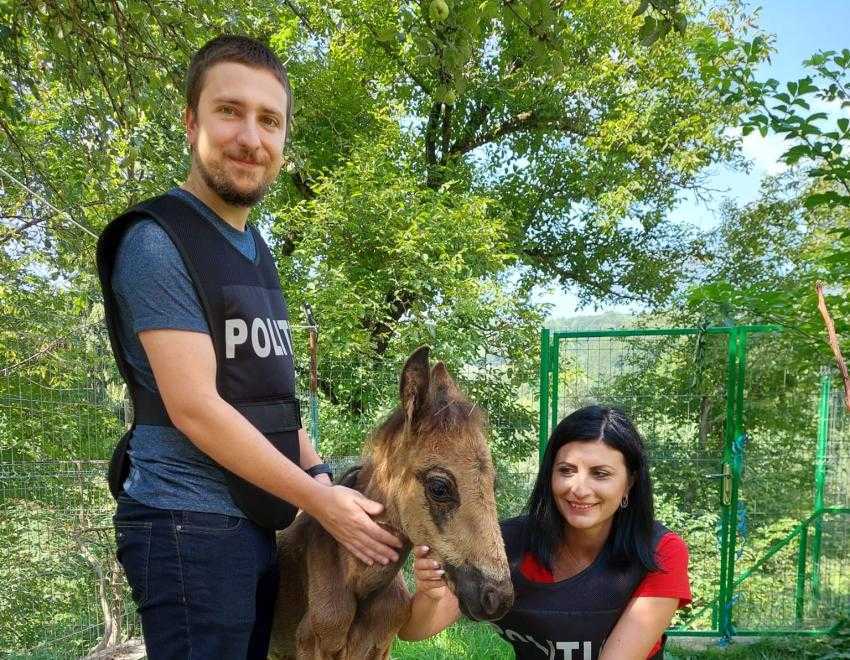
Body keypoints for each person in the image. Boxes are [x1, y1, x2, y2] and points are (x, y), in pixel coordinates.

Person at [96, 35, 402, 659]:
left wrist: (319, 476)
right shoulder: (158, 242)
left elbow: (271, 400)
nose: (250, 137)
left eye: (269, 120)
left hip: (253, 524)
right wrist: (320, 501)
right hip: (187, 526)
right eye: (229, 111)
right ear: (192, 123)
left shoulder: (252, 248)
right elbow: (195, 408)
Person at [399, 405, 691, 660]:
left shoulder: (661, 552)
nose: (578, 488)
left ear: (629, 483)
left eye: (600, 474)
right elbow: (415, 631)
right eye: (566, 470)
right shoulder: (506, 544)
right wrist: (432, 595)